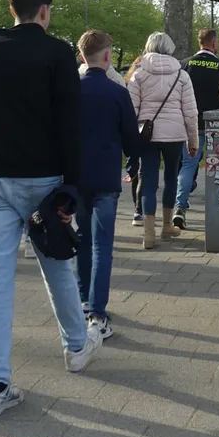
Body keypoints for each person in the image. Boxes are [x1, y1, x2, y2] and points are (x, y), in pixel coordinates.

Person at [0, 0, 100, 419]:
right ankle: (77, 346)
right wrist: (72, 187)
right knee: (56, 262)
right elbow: (71, 125)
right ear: (44, 11)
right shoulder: (58, 54)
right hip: (44, 178)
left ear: (12, 10)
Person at [76, 29, 139, 338]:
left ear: (81, 57)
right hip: (105, 178)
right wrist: (134, 161)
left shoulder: (70, 91)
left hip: (76, 179)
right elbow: (131, 137)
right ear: (107, 56)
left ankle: (81, 301)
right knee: (102, 245)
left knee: (82, 241)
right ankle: (98, 315)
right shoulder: (118, 92)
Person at [127, 32, 199, 249]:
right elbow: (190, 112)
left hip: (147, 135)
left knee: (148, 180)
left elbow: (132, 110)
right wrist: (193, 140)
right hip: (175, 134)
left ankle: (149, 234)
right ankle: (167, 226)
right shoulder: (181, 75)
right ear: (170, 48)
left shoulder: (139, 75)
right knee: (171, 178)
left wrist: (131, 139)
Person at [174, 28, 219, 230]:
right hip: (218, 125)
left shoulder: (184, 65)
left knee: (188, 166)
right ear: (213, 44)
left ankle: (180, 207)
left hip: (191, 125)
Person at [126, 55, 145, 227]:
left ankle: (138, 210)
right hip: (149, 129)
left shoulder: (131, 80)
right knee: (143, 172)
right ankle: (140, 209)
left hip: (136, 130)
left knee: (137, 171)